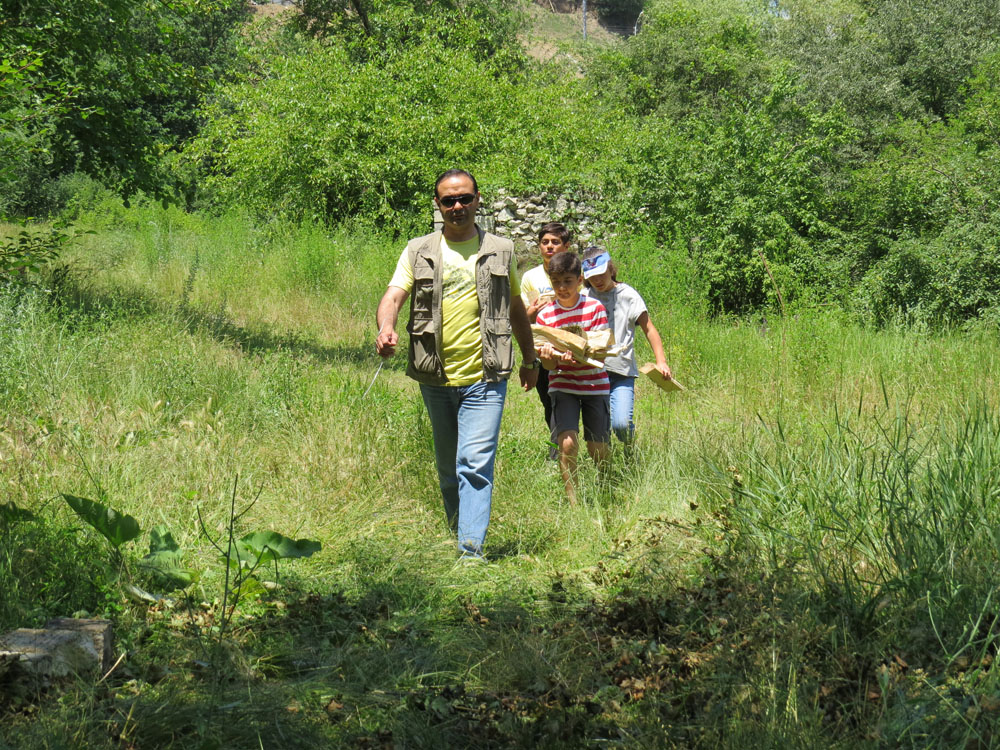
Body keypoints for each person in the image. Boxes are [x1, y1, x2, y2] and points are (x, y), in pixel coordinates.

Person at [374, 169, 540, 561]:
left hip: (486, 374)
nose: (457, 207)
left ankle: (470, 552)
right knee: (449, 469)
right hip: (434, 375)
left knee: (474, 463)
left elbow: (516, 309)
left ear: (478, 200)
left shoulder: (502, 249)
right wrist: (385, 327)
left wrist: (530, 359)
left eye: (464, 198)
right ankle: (459, 531)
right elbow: (393, 296)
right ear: (438, 205)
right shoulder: (418, 249)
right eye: (448, 200)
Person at [535, 251, 611, 505]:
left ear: (579, 280)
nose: (562, 287)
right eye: (556, 282)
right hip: (562, 386)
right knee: (566, 444)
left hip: (594, 385)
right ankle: (574, 503)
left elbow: (601, 354)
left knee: (596, 447)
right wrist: (550, 357)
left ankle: (606, 490)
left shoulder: (595, 309)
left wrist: (579, 356)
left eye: (567, 281)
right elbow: (547, 364)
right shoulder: (546, 317)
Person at [581, 246, 672, 445]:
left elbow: (649, 329)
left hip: (621, 372)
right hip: (593, 373)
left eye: (601, 273)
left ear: (610, 268)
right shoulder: (585, 296)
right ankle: (608, 467)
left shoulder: (628, 295)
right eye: (592, 276)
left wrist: (661, 361)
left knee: (621, 424)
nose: (597, 280)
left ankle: (631, 446)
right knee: (599, 431)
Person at [520, 222, 573, 457]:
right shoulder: (530, 277)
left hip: (571, 345)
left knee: (571, 399)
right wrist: (534, 310)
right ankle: (558, 450)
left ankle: (565, 449)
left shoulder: (575, 273)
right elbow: (524, 318)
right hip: (543, 348)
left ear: (566, 246)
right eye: (545, 242)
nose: (549, 247)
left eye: (555, 242)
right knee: (549, 401)